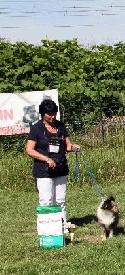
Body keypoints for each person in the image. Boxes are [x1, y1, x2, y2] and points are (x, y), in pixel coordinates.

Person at [26, 98, 81, 231]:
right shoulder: (36, 129)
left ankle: (62, 227)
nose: (52, 116)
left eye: (54, 113)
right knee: (46, 201)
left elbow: (67, 145)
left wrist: (73, 147)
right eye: (49, 114)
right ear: (43, 114)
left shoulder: (60, 126)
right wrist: (46, 159)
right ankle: (47, 230)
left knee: (60, 200)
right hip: (44, 170)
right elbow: (29, 150)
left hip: (61, 168)